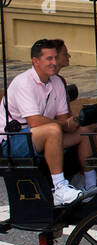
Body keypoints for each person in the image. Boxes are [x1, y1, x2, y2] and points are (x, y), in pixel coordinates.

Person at [0, 38, 90, 205]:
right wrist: (64, 124)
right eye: (49, 59)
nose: (54, 62)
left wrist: (75, 122)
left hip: (36, 136)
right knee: (52, 130)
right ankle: (59, 188)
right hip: (12, 141)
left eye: (55, 57)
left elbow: (63, 118)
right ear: (35, 61)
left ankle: (90, 186)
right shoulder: (23, 82)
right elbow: (35, 121)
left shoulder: (56, 81)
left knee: (84, 131)